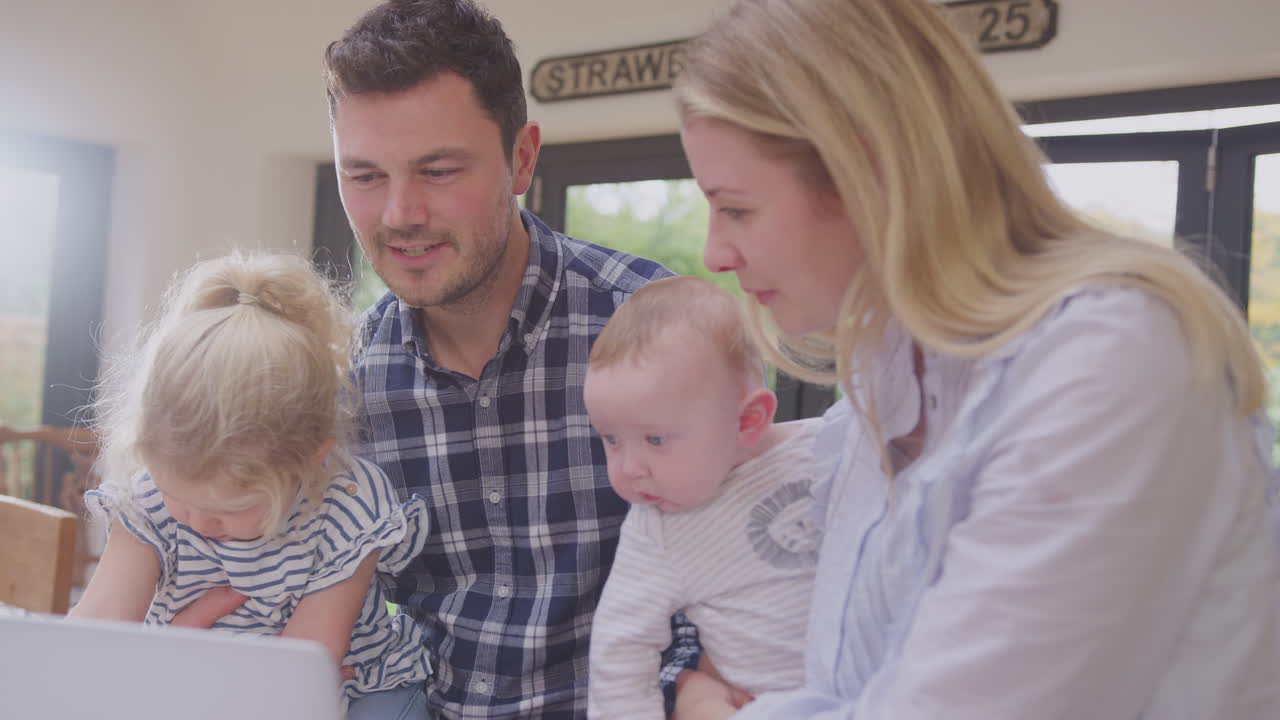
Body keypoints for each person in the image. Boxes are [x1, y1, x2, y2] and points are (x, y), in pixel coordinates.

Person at [670, 0, 1280, 718]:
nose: (715, 253)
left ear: (869, 170)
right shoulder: (888, 371)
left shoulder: (1109, 360)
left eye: (736, 209)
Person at [320, 1, 698, 716]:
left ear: (521, 158)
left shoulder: (656, 328)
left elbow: (733, 585)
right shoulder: (342, 382)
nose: (399, 214)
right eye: (364, 176)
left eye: (437, 170)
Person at [71, 252, 432, 717]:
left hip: (361, 686)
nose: (198, 522)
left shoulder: (346, 504)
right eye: (176, 496)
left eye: (228, 510)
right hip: (199, 677)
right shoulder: (147, 503)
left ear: (309, 460)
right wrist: (170, 652)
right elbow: (92, 640)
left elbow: (299, 674)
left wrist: (178, 661)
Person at [584, 276, 823, 719]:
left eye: (655, 439)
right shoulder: (656, 528)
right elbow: (620, 654)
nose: (629, 467)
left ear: (748, 420)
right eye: (611, 439)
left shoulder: (829, 451)